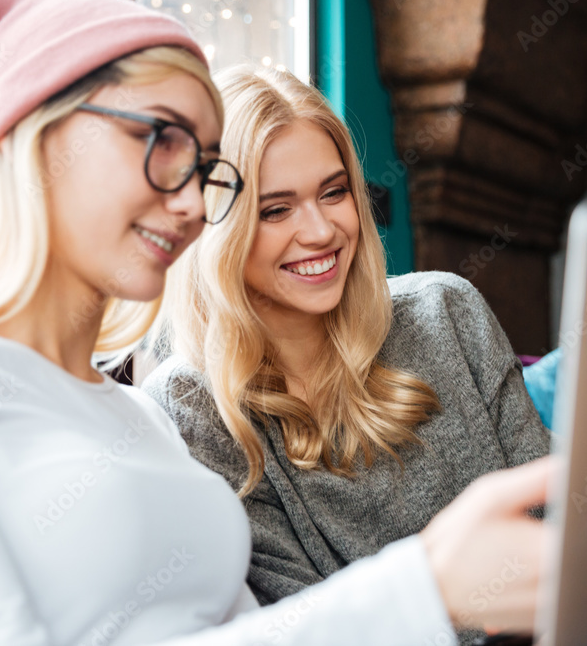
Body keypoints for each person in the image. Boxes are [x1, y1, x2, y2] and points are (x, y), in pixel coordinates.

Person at [0, 0, 552, 645]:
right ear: (37, 138)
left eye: (208, 168)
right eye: (163, 141)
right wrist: (422, 588)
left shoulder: (136, 417)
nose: (192, 203)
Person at [143, 67, 551, 644]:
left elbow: (558, 522)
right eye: (275, 210)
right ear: (218, 231)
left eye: (333, 193)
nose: (321, 231)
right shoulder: (192, 407)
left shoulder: (447, 311)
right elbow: (315, 627)